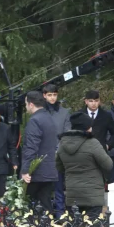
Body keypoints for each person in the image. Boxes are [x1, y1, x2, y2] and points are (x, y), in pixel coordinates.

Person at [56, 112, 113, 217]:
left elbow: (59, 167)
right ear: (86, 128)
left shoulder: (62, 144)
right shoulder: (92, 143)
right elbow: (108, 165)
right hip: (93, 195)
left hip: (72, 193)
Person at [21, 91, 58, 212]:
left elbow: (31, 147)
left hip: (38, 172)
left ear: (31, 104)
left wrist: (25, 169)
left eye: (26, 103)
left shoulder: (35, 120)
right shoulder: (49, 117)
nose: (26, 106)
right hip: (50, 169)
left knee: (35, 208)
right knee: (46, 204)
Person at [43, 84, 71, 215]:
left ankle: (60, 212)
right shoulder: (40, 112)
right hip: (43, 156)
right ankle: (45, 213)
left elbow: (67, 133)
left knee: (59, 185)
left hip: (59, 154)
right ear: (44, 96)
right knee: (44, 187)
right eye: (49, 95)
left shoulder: (64, 112)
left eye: (54, 94)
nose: (52, 97)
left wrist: (57, 149)